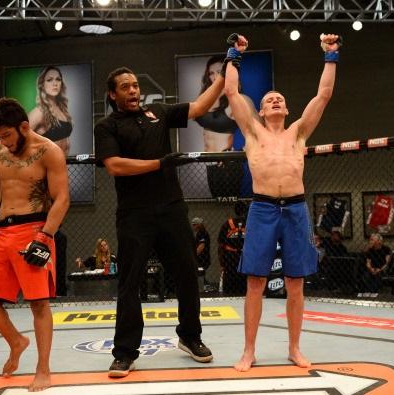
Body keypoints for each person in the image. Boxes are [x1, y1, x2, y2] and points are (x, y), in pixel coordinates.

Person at [94, 61, 226, 377]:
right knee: (129, 284)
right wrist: (159, 163)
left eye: (135, 85)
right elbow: (114, 165)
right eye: (125, 87)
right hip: (134, 213)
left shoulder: (160, 113)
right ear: (113, 95)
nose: (133, 91)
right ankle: (125, 353)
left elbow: (200, 106)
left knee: (186, 274)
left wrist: (228, 69)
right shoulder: (107, 126)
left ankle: (190, 337)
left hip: (171, 207)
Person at [223, 33, 340, 371]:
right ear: (260, 110)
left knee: (295, 281)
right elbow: (232, 91)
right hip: (261, 209)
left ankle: (294, 347)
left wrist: (330, 55)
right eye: (269, 99)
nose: (275, 101)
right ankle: (248, 351)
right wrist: (234, 55)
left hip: (295, 209)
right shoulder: (253, 132)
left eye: (280, 99)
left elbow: (324, 94)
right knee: (255, 281)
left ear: (287, 109)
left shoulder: (298, 133)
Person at [0, 97, 70, 392]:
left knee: (38, 304)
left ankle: (43, 369)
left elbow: (62, 199)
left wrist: (45, 237)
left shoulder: (49, 151)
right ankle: (17, 341)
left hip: (35, 229)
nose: (2, 141)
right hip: (2, 233)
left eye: (6, 134)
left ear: (24, 127)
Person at [28, 66, 74, 156]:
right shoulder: (39, 112)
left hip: (64, 164)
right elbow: (19, 138)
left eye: (58, 79)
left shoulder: (62, 108)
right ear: (42, 85)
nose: (55, 83)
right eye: (49, 80)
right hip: (47, 166)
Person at [195, 55, 237, 152]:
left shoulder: (234, 100)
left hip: (225, 162)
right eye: (211, 73)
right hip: (208, 160)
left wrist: (240, 151)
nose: (215, 77)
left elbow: (253, 131)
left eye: (219, 72)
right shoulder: (205, 98)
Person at [217, 201, 248, 295]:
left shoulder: (227, 224)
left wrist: (222, 263)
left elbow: (221, 245)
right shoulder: (249, 223)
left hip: (230, 257)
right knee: (244, 280)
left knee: (230, 280)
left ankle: (230, 296)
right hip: (245, 256)